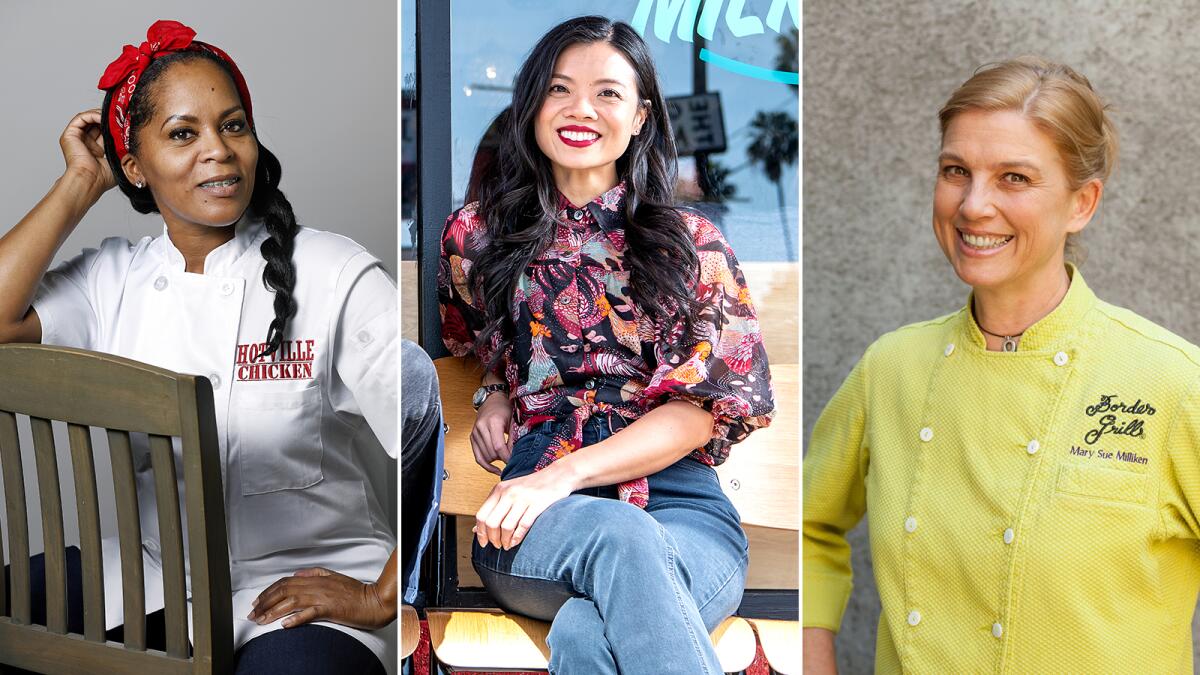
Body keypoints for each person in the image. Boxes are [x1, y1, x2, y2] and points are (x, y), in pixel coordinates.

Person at [0, 21, 397, 674]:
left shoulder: (334, 272)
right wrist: (78, 182)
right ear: (134, 165)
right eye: (183, 133)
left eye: (233, 125)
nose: (219, 150)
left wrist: (379, 592)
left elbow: (426, 430)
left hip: (301, 587)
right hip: (153, 574)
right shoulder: (112, 280)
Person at [803, 57, 1200, 674]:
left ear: (1081, 203)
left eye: (1014, 177)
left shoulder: (1172, 383)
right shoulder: (893, 369)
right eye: (955, 171)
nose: (974, 206)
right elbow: (807, 527)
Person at [437, 15, 774, 675]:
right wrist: (497, 391)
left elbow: (695, 412)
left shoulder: (689, 244)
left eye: (608, 93)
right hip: (537, 521)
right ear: (531, 105)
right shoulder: (475, 237)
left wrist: (560, 476)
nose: (580, 109)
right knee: (619, 540)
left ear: (642, 115)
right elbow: (476, 343)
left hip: (683, 513)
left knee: (590, 631)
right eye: (559, 90)